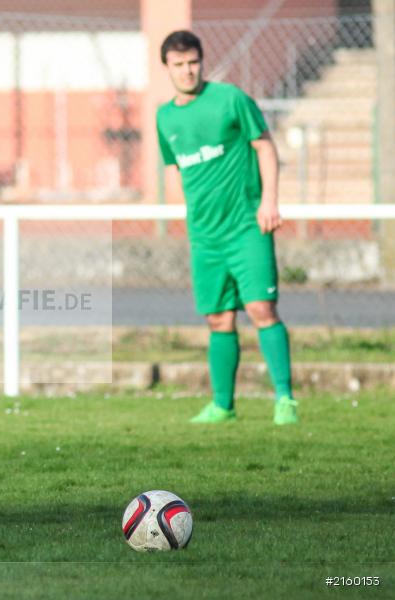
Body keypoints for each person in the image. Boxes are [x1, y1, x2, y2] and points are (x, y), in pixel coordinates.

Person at [156, 30, 297, 425]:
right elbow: (175, 167)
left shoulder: (231, 99)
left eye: (193, 63)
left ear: (202, 61)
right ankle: (223, 406)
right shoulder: (165, 116)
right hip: (205, 235)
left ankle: (285, 400)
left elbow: (265, 147)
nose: (187, 71)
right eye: (178, 65)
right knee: (218, 318)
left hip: (246, 225)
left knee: (261, 309)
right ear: (167, 68)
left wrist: (269, 200)